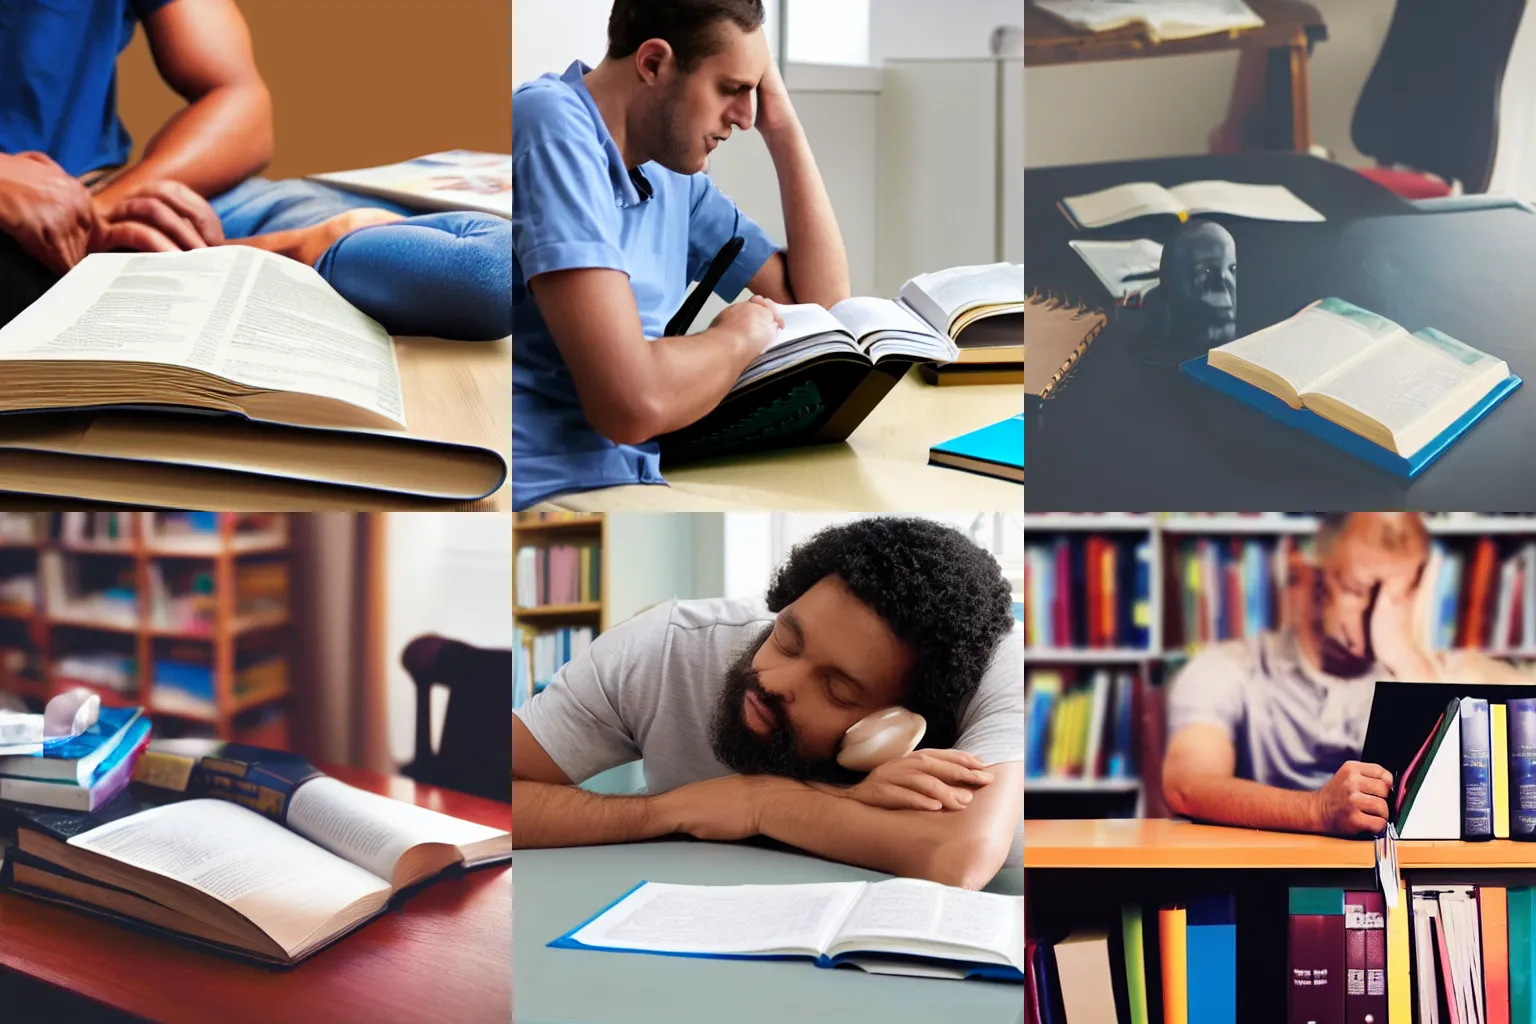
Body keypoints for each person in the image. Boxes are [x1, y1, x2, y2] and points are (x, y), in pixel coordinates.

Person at [512, 518, 1023, 890]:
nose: (773, 680)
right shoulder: (668, 646)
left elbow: (957, 858)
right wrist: (664, 812)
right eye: (786, 639)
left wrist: (760, 802)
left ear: (896, 724)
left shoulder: (1000, 670)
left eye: (837, 689)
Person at [0, 0, 510, 340]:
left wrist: (99, 215)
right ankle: (279, 257)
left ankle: (201, 262)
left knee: (480, 269)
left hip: (108, 201)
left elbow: (239, 100)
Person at [511, 0, 852, 508]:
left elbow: (822, 305)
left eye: (755, 92)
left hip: (635, 475)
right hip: (548, 483)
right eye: (731, 89)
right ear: (653, 63)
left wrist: (782, 128)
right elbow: (631, 403)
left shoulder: (672, 178)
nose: (744, 117)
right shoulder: (551, 124)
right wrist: (737, 338)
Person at [1162, 512, 1530, 837]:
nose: (1375, 617)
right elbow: (1187, 786)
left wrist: (1409, 663)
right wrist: (1316, 810)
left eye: (1395, 596)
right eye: (1357, 590)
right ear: (1313, 578)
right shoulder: (1229, 667)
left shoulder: (1446, 672)